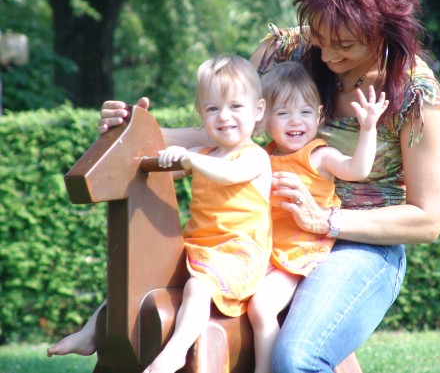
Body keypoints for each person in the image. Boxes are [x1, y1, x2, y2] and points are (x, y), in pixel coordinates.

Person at [97, 0, 440, 372]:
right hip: (267, 236)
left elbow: (427, 218)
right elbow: (227, 134)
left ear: (385, 28)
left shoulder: (414, 91)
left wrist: (325, 220)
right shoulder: (283, 52)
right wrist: (136, 131)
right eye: (319, 36)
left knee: (296, 356)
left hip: (358, 244)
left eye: (344, 44)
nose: (326, 56)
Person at [49, 55, 273, 373]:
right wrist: (145, 150)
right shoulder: (203, 154)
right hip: (199, 249)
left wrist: (190, 160)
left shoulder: (255, 157)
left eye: (235, 106)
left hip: (238, 254)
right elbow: (160, 170)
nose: (224, 116)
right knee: (136, 277)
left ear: (258, 110)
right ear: (201, 115)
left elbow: (228, 175)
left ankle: (176, 351)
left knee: (198, 286)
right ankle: (89, 334)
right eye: (213, 109)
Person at [248, 61, 387, 373]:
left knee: (261, 308)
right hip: (266, 251)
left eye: (305, 111)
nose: (296, 120)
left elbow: (358, 169)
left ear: (319, 116)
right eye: (283, 113)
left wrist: (368, 129)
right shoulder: (260, 156)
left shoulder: (318, 156)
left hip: (299, 252)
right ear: (263, 118)